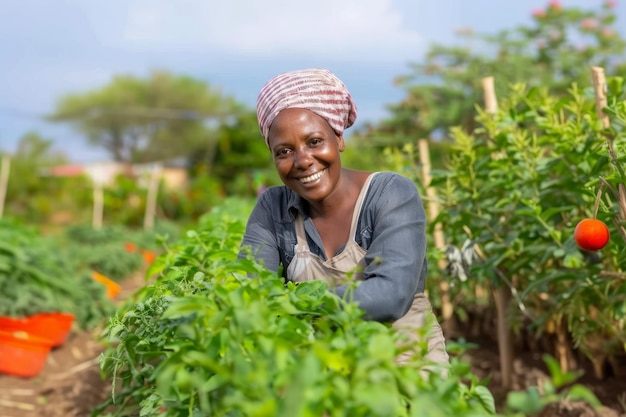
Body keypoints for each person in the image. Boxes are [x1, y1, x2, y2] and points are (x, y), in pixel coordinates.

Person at [239, 68, 449, 368]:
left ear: (338, 138)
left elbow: (390, 296)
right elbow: (247, 293)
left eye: (314, 141)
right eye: (284, 151)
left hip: (405, 362)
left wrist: (291, 304)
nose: (302, 161)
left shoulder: (390, 194)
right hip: (322, 367)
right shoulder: (273, 207)